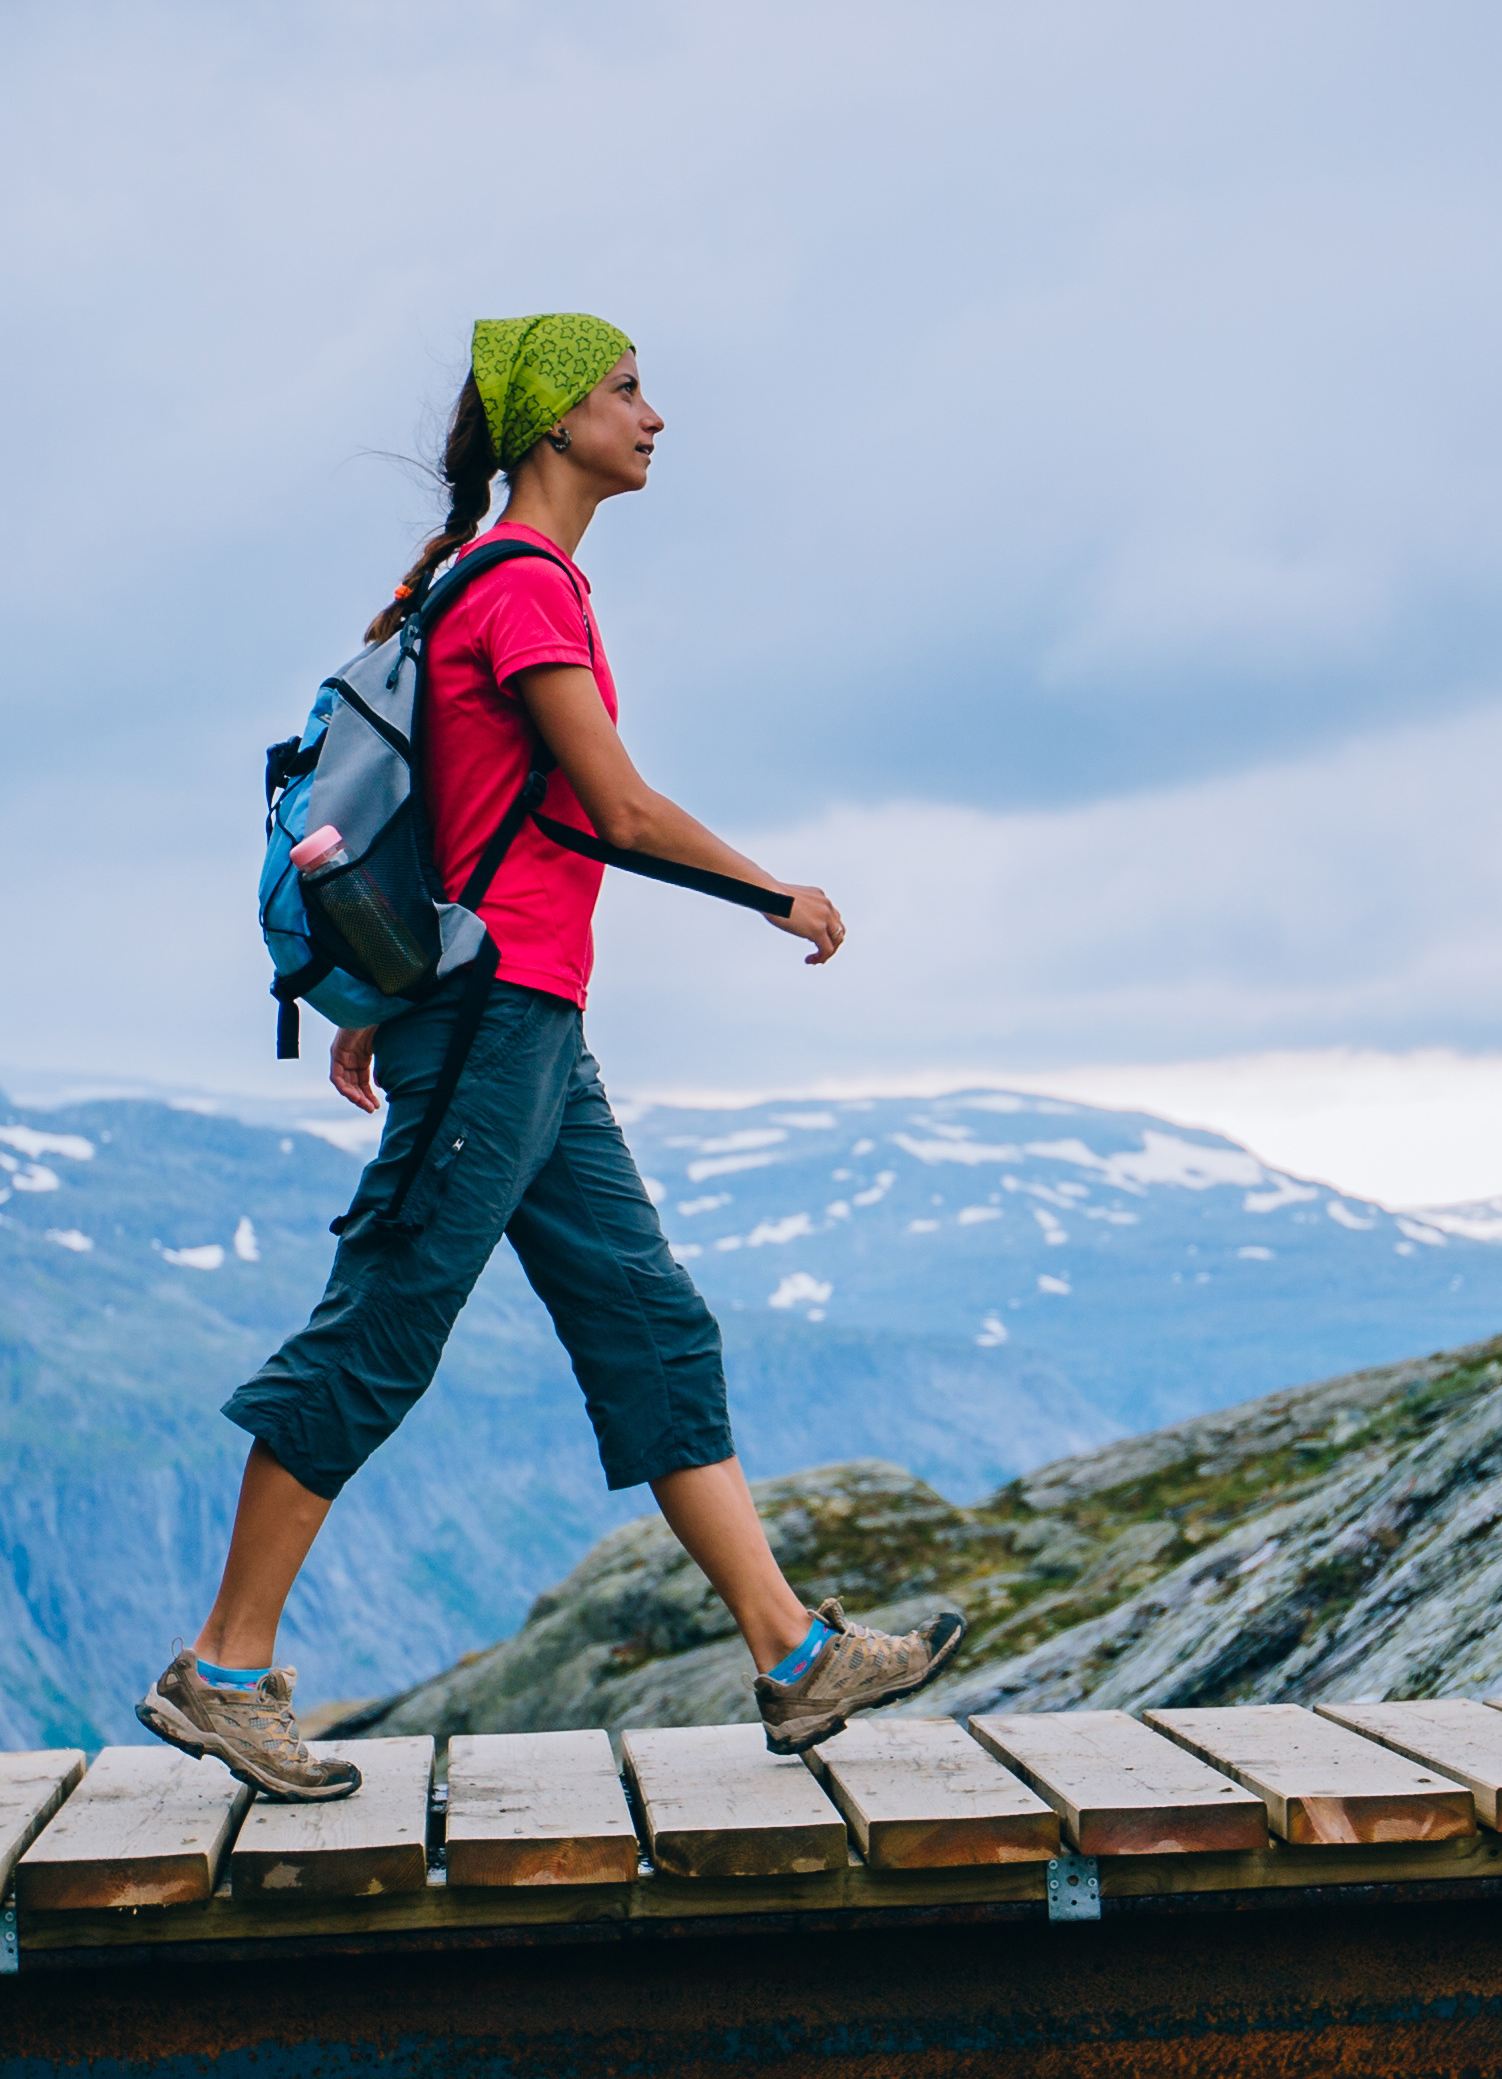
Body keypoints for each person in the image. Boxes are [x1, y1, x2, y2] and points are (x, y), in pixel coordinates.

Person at [144, 312, 964, 1804]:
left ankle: (793, 1658)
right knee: (382, 1324)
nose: (655, 417)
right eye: (626, 392)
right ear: (550, 425)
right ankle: (225, 1670)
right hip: (499, 1021)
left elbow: (462, 814)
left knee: (650, 1328)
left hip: (522, 1019)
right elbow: (612, 809)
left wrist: (387, 1004)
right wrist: (775, 890)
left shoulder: (492, 581)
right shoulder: (520, 588)